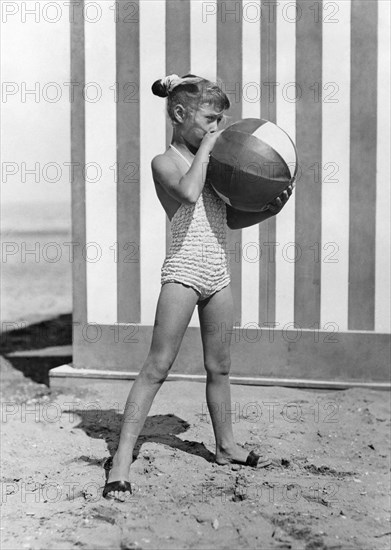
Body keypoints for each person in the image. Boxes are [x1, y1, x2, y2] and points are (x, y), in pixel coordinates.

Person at [103, 74, 294, 501]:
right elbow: (189, 196)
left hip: (217, 273)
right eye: (210, 118)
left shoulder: (215, 166)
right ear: (179, 114)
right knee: (157, 366)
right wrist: (209, 148)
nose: (216, 127)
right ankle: (121, 458)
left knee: (220, 367)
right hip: (183, 272)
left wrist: (267, 209)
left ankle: (225, 446)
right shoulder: (165, 162)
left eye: (220, 120)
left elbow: (226, 219)